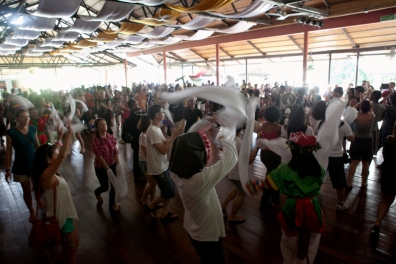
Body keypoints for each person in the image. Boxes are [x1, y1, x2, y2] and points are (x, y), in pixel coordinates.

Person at [255, 132, 325, 264]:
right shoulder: (319, 170)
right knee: (312, 240)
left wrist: (252, 186)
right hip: (312, 208)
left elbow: (268, 183)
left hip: (292, 208)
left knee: (289, 241)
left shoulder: (284, 169)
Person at [169, 131, 237, 264]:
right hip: (207, 236)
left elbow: (176, 154)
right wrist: (226, 138)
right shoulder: (200, 180)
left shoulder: (175, 174)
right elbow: (232, 158)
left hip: (195, 232)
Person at [31, 121, 79, 264]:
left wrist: (59, 137)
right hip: (61, 218)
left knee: (68, 249)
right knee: (72, 250)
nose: (58, 154)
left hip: (64, 215)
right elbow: (62, 156)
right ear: (49, 160)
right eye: (55, 154)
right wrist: (70, 132)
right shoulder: (46, 175)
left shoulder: (47, 171)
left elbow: (58, 151)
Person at [145, 104, 183, 219]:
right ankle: (151, 204)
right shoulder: (153, 131)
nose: (163, 114)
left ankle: (164, 212)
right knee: (170, 191)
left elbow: (163, 145)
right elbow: (162, 150)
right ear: (156, 115)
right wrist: (173, 137)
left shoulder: (157, 128)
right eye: (161, 112)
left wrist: (171, 138)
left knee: (170, 188)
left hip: (162, 164)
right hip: (157, 167)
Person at [6, 108, 40, 222]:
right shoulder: (11, 132)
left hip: (34, 162)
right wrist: (7, 170)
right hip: (21, 164)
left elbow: (37, 146)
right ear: (17, 118)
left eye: (28, 116)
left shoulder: (32, 129)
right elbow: (9, 152)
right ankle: (31, 211)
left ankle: (39, 201)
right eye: (23, 117)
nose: (27, 119)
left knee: (38, 186)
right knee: (26, 190)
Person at [370, 123, 396, 243]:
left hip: (389, 174)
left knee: (385, 201)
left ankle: (377, 224)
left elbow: (385, 157)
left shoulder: (389, 141)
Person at [91, 118, 120, 211]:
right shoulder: (96, 140)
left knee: (114, 185)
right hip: (101, 167)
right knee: (105, 187)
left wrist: (118, 165)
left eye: (105, 124)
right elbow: (99, 156)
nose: (104, 126)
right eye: (101, 124)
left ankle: (112, 205)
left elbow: (115, 151)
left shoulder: (111, 137)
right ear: (97, 128)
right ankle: (97, 192)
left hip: (112, 163)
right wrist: (107, 169)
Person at [347, 100, 375, 188]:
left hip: (357, 140)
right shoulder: (372, 116)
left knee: (354, 161)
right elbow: (371, 111)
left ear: (361, 107)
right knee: (365, 162)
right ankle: (363, 183)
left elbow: (352, 109)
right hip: (367, 140)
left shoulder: (356, 116)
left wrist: (359, 104)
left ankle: (349, 182)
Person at [259, 106, 282, 209]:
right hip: (274, 155)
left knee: (271, 175)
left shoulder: (262, 125)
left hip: (264, 154)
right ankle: (265, 200)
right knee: (270, 177)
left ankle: (274, 196)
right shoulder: (278, 127)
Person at [138, 115, 157, 205]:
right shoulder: (143, 136)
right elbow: (146, 153)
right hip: (144, 161)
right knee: (152, 184)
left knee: (153, 184)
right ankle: (143, 199)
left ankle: (152, 202)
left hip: (148, 161)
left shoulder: (147, 134)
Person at [125, 99, 145, 182]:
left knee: (137, 158)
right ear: (133, 106)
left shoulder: (132, 115)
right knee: (137, 159)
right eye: (136, 104)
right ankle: (137, 177)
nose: (138, 105)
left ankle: (139, 175)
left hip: (135, 140)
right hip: (136, 140)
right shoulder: (134, 116)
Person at [370, 91, 386, 156]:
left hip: (368, 129)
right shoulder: (383, 108)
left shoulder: (369, 104)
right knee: (373, 149)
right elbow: (381, 119)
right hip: (376, 129)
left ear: (373, 96)